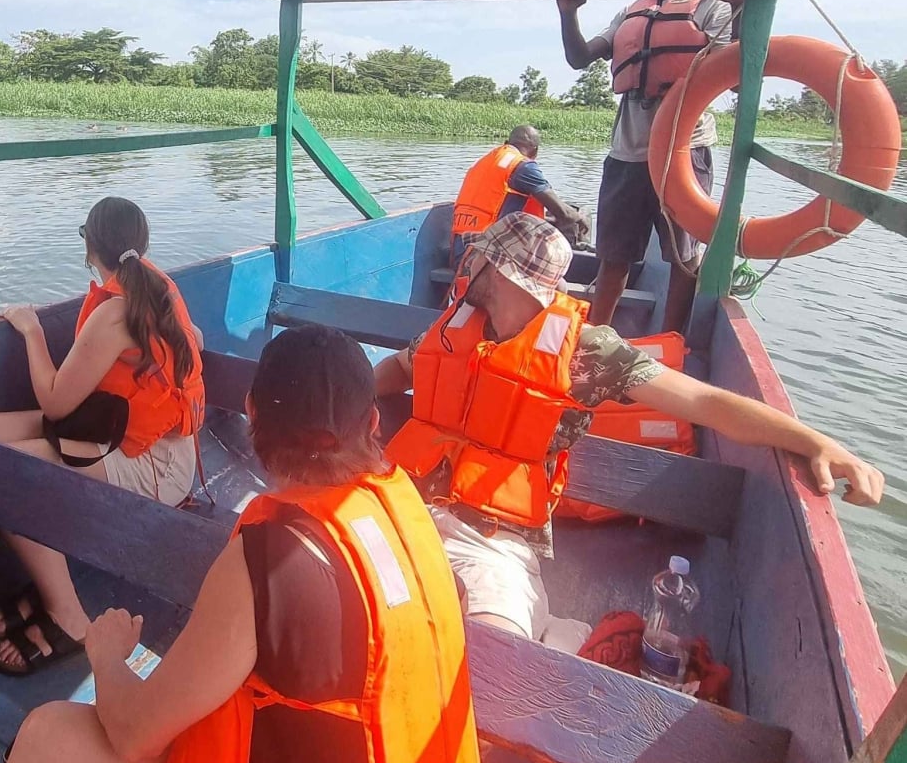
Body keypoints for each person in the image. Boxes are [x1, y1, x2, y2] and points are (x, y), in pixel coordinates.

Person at [0, 326, 480, 763]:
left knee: (44, 744)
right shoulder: (412, 521)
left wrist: (105, 655)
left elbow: (133, 734)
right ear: (375, 423)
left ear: (251, 416)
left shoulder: (273, 561)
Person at [375, 212, 884, 647]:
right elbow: (400, 370)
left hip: (494, 538)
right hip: (405, 504)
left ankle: (553, 630)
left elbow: (705, 401)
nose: (467, 266)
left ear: (497, 267)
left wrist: (816, 442)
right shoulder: (456, 324)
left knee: (494, 657)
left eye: (477, 257)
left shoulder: (586, 352)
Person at [0, 196, 205, 676]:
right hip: (130, 435)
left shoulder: (114, 313)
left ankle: (69, 617)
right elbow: (194, 338)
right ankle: (47, 567)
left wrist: (33, 330)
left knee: (0, 478)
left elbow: (56, 402)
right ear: (142, 243)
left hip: (156, 467)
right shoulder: (157, 287)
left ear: (88, 246)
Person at [558, 0, 735, 333]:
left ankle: (670, 341)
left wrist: (741, 6)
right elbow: (579, 57)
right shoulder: (631, 12)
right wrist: (567, 12)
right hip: (628, 152)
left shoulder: (717, 7)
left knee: (683, 256)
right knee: (614, 256)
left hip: (684, 150)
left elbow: (733, 72)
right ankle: (596, 339)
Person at [450, 124, 589, 265]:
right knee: (560, 283)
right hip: (484, 256)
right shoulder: (523, 166)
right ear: (535, 151)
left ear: (506, 143)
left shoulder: (485, 161)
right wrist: (580, 218)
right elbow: (564, 214)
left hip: (460, 253)